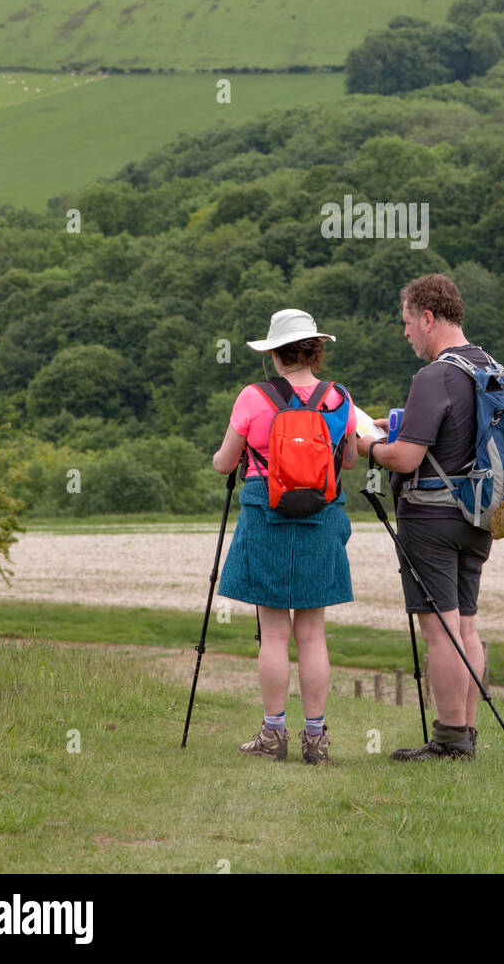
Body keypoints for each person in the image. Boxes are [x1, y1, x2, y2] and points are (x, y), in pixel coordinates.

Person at [212, 308, 357, 765]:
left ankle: (273, 735)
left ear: (275, 354)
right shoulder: (338, 398)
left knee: (274, 634)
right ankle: (316, 739)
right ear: (316, 350)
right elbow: (349, 460)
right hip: (321, 514)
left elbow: (223, 462)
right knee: (312, 634)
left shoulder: (253, 398)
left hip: (266, 513)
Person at [358, 274, 493, 761]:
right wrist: (395, 421)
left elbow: (407, 458)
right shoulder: (486, 366)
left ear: (428, 317)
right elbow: (456, 430)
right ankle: (468, 732)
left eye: (407, 323)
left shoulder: (434, 375)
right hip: (480, 516)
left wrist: (368, 446)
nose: (406, 333)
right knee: (468, 628)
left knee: (440, 630)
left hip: (432, 521)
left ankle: (449, 740)